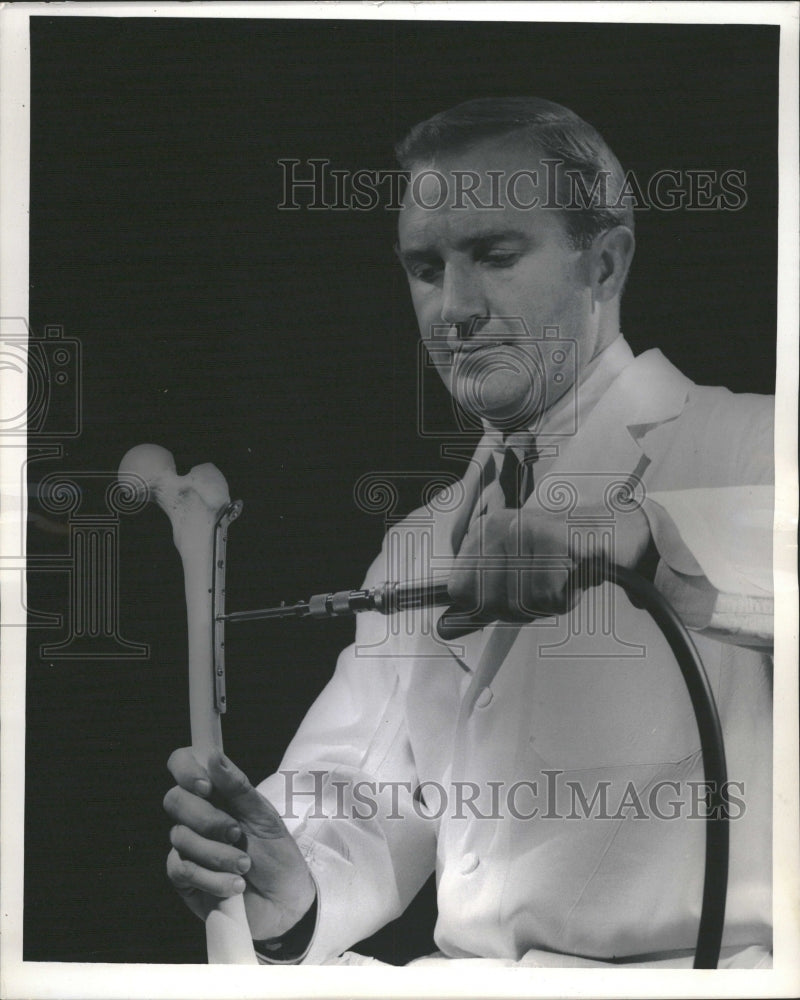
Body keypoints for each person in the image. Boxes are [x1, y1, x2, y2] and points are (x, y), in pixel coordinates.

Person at [163, 98, 773, 968]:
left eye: (494, 254)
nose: (454, 309)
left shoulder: (751, 444)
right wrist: (289, 890)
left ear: (605, 265)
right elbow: (358, 799)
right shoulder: (419, 542)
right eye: (424, 266)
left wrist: (639, 536)